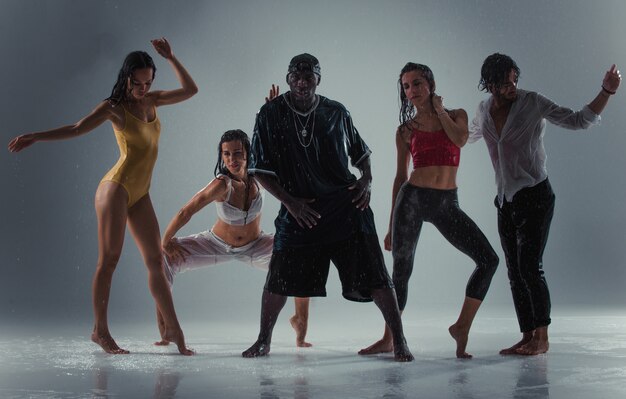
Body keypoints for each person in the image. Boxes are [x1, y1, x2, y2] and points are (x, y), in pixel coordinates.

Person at [7, 38, 197, 355]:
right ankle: (100, 331)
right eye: (136, 82)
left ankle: (174, 329)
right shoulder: (114, 108)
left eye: (147, 82)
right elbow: (77, 128)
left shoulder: (153, 101)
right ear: (125, 78)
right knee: (109, 261)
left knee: (155, 261)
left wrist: (172, 58)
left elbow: (191, 90)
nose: (141, 88)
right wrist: (36, 136)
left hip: (141, 192)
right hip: (116, 188)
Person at [241, 53, 413, 362]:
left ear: (319, 79)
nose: (303, 82)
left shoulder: (336, 111)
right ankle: (263, 340)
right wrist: (291, 203)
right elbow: (259, 170)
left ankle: (400, 341)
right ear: (288, 78)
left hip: (344, 208)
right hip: (299, 210)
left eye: (309, 77)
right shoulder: (269, 114)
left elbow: (361, 154)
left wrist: (367, 180)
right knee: (278, 278)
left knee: (376, 275)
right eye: (297, 76)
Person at [469, 53, 621, 355]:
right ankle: (528, 335)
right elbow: (465, 136)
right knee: (514, 272)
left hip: (535, 196)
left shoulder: (533, 102)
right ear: (490, 84)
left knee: (530, 267)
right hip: (504, 200)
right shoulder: (484, 110)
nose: (512, 86)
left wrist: (607, 91)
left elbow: (579, 120)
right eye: (505, 82)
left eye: (515, 79)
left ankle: (542, 337)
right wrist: (440, 113)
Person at [358, 63, 499, 359]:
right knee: (401, 271)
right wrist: (390, 226)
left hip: (447, 202)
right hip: (412, 199)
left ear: (431, 85)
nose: (411, 92)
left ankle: (461, 327)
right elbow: (400, 176)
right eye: (406, 86)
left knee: (488, 260)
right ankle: (390, 338)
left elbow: (460, 139)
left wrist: (440, 110)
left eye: (417, 84)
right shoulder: (405, 130)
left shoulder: (456, 115)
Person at [153, 129, 312, 348]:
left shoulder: (260, 176)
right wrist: (165, 240)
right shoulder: (222, 184)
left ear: (248, 153)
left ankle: (300, 320)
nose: (231, 160)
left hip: (256, 245)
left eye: (237, 153)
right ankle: (167, 329)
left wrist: (273, 116)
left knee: (299, 255)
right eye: (226, 154)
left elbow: (279, 144)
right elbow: (186, 211)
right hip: (216, 245)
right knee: (162, 259)